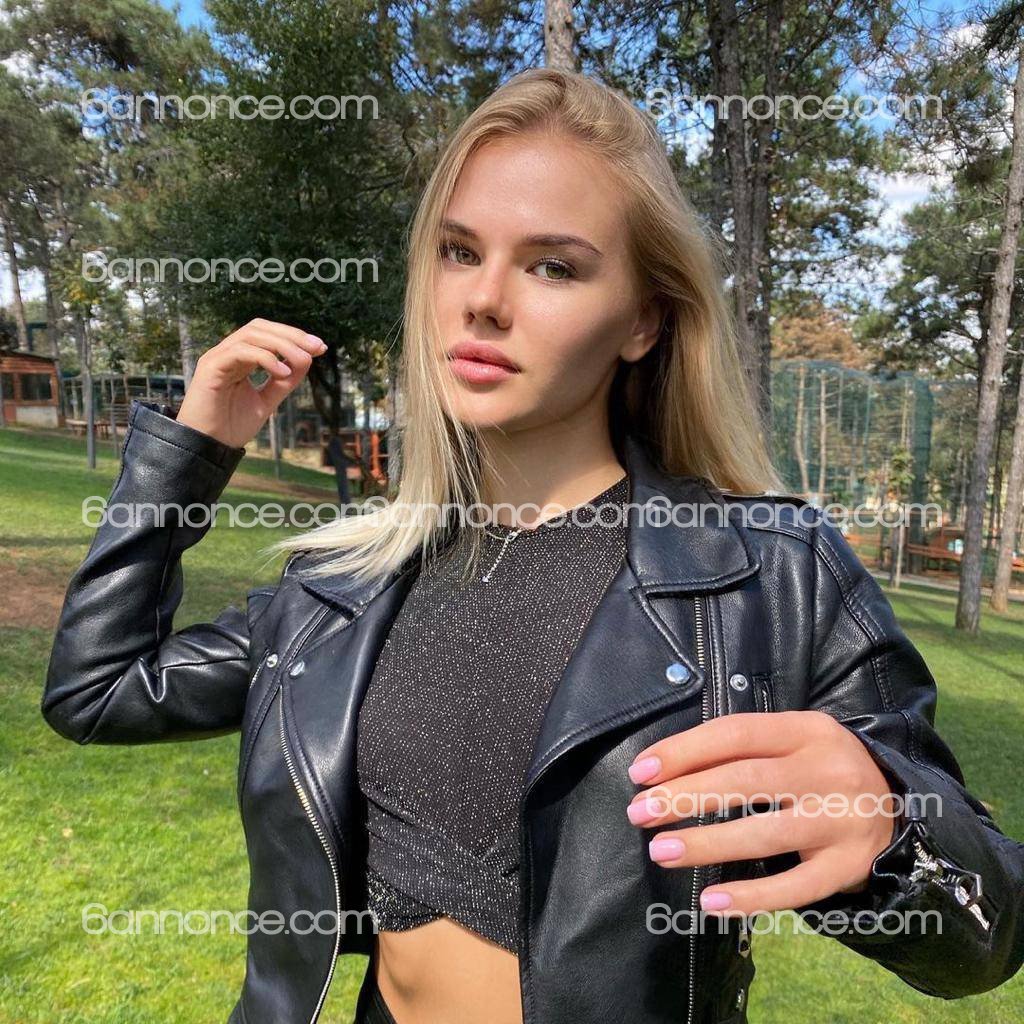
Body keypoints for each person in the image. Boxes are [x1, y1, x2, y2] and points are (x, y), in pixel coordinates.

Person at [43, 68, 1024, 1024]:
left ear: (643, 319)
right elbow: (100, 689)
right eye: (458, 250)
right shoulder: (345, 587)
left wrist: (895, 830)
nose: (484, 298)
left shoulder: (769, 575)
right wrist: (190, 452)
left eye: (553, 265)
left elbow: (989, 932)